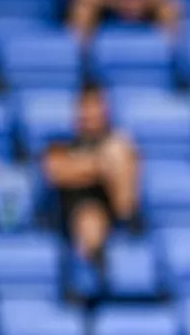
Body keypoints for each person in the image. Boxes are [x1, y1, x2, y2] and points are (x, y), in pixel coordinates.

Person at [42, 85, 139, 265]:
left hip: (111, 209)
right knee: (89, 219)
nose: (90, 114)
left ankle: (128, 231)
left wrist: (83, 169)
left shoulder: (118, 143)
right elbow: (55, 171)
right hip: (72, 213)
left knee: (119, 149)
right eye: (85, 107)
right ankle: (90, 266)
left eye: (95, 106)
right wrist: (101, 166)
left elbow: (125, 168)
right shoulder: (62, 143)